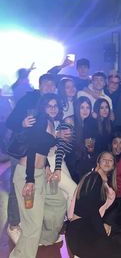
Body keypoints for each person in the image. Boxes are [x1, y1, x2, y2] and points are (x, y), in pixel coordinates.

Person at [9, 93, 63, 258]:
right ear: (43, 107)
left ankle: (44, 238)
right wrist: (30, 180)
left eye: (55, 105)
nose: (53, 108)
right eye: (49, 106)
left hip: (39, 173)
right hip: (27, 174)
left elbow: (43, 147)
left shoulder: (52, 123)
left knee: (58, 201)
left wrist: (46, 165)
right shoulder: (41, 121)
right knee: (32, 224)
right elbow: (32, 148)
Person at [66, 151, 121, 258]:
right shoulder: (94, 178)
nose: (107, 161)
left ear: (113, 166)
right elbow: (92, 212)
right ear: (98, 163)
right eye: (104, 159)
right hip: (81, 232)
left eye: (110, 160)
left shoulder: (103, 183)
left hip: (87, 228)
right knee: (119, 251)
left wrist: (103, 225)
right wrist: (103, 234)